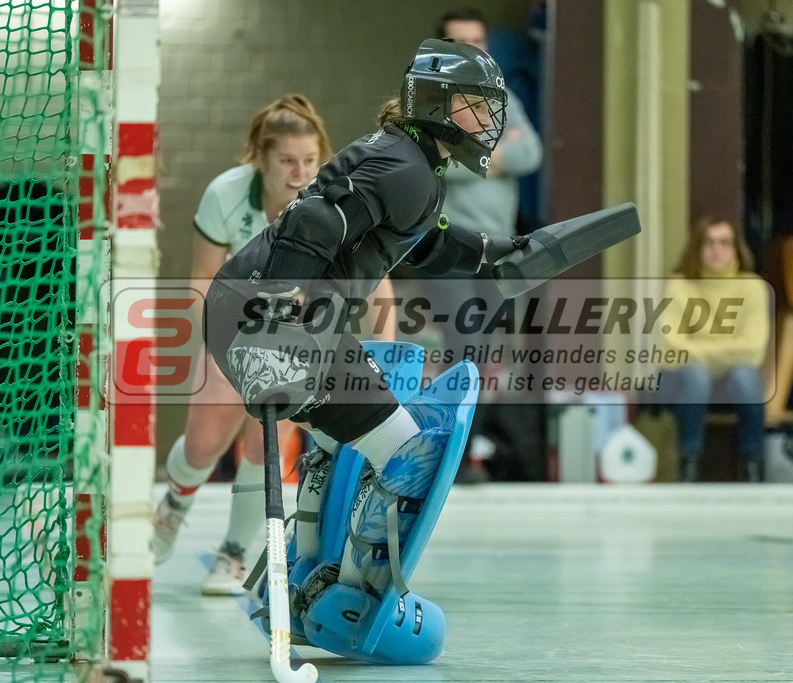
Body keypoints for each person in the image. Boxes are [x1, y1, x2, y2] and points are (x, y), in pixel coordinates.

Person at [202, 39, 527, 663]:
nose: (482, 122)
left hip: (250, 315)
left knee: (332, 437)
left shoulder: (403, 161)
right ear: (433, 104)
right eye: (469, 107)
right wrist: (280, 306)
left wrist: (491, 251)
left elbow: (422, 240)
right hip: (271, 323)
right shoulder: (408, 170)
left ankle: (300, 578)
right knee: (411, 455)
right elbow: (317, 222)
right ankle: (342, 595)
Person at [151, 95, 338, 596]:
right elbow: (201, 278)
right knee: (203, 444)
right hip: (230, 324)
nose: (300, 172)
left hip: (299, 338)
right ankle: (175, 500)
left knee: (268, 439)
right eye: (287, 161)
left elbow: (378, 287)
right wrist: (222, 347)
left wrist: (383, 352)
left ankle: (232, 554)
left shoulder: (334, 203)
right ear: (260, 157)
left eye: (309, 160)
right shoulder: (225, 194)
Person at [433, 7, 544, 482]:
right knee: (467, 343)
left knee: (485, 353)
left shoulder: (503, 99)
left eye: (478, 42)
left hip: (497, 249)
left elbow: (531, 151)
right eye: (461, 43)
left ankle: (471, 452)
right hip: (449, 246)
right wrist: (493, 152)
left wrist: (472, 148)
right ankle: (453, 460)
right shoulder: (427, 102)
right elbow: (433, 158)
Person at [658, 217, 770, 482]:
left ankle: (753, 466)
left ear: (736, 249)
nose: (717, 250)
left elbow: (754, 349)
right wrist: (726, 351)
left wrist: (699, 348)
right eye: (709, 243)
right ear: (697, 249)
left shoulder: (752, 287)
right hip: (681, 377)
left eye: (724, 243)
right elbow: (669, 345)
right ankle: (689, 465)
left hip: (733, 377)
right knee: (695, 376)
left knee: (745, 377)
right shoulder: (679, 285)